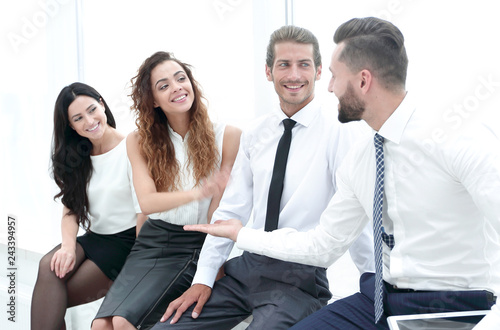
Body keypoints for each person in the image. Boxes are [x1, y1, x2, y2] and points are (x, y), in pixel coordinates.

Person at [183, 17, 500, 329]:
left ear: (363, 81)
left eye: (334, 76)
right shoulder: (363, 156)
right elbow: (324, 243)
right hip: (379, 297)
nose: (330, 87)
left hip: (457, 303)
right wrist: (241, 234)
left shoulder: (457, 135)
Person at [152, 26, 374, 330]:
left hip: (299, 280)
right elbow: (230, 211)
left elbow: (359, 217)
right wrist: (203, 279)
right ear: (268, 71)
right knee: (167, 327)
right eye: (284, 64)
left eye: (304, 64)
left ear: (320, 71)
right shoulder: (256, 133)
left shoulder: (342, 132)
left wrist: (375, 287)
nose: (294, 75)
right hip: (246, 269)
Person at [91, 51, 241, 330]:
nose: (176, 88)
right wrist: (196, 193)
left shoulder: (228, 136)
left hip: (193, 242)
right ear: (154, 101)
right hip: (153, 238)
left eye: (181, 78)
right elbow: (146, 203)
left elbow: (218, 212)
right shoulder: (138, 141)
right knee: (101, 325)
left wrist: (212, 268)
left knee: (123, 322)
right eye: (164, 86)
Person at [31, 82, 145, 330]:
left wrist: (138, 266)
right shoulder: (78, 155)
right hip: (94, 238)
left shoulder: (132, 148)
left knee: (52, 298)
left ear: (102, 104)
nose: (90, 121)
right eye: (78, 118)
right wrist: (68, 247)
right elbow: (71, 209)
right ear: (70, 125)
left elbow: (144, 211)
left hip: (126, 243)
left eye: (93, 109)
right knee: (48, 268)